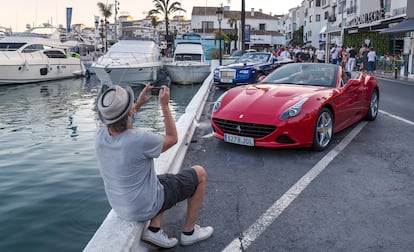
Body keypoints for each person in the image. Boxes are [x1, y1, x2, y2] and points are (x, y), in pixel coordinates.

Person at [95, 84, 214, 248]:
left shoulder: (99, 136)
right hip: (144, 207)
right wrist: (164, 106)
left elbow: (121, 124)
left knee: (163, 180)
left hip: (120, 206)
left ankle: (155, 230)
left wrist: (138, 104)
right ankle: (189, 232)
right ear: (130, 113)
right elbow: (172, 138)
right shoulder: (140, 139)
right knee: (200, 174)